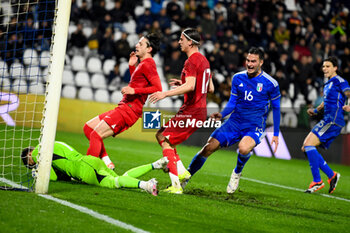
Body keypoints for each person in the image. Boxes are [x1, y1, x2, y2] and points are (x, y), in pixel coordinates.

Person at [184, 47, 281, 194]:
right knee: (208, 148)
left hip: (254, 125)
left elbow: (277, 109)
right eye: (248, 60)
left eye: (253, 61)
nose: (249, 64)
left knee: (243, 148)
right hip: (234, 122)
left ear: (261, 62)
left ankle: (237, 172)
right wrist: (222, 115)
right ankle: (185, 177)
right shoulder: (237, 78)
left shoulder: (271, 84)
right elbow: (232, 103)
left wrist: (276, 133)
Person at [149, 28, 214, 194]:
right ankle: (182, 171)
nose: (179, 42)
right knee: (161, 135)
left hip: (192, 110)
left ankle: (176, 185)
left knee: (166, 141)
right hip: (198, 110)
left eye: (181, 39)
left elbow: (191, 86)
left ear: (190, 42)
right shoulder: (204, 61)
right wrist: (183, 83)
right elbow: (210, 88)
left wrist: (165, 93)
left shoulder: (191, 61)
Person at [84, 33, 162, 169]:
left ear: (149, 49)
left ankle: (86, 169)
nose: (137, 45)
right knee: (88, 128)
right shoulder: (142, 63)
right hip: (125, 107)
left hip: (129, 110)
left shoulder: (149, 64)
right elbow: (138, 83)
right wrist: (132, 67)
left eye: (141, 44)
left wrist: (134, 91)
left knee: (96, 135)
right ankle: (107, 163)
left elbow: (158, 88)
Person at [21, 141, 169, 195]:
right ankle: (154, 165)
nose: (32, 164)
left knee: (114, 183)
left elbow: (51, 177)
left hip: (83, 170)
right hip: (91, 160)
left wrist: (36, 172)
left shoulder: (38, 153)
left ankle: (147, 185)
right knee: (120, 177)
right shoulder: (53, 142)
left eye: (29, 163)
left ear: (29, 157)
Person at [302, 56, 350, 194]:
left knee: (308, 145)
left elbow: (348, 92)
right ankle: (331, 175)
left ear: (335, 68)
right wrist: (316, 110)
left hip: (333, 121)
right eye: (323, 66)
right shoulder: (328, 83)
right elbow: (326, 101)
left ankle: (317, 181)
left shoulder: (339, 80)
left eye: (328, 66)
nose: (324, 69)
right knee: (306, 148)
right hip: (326, 119)